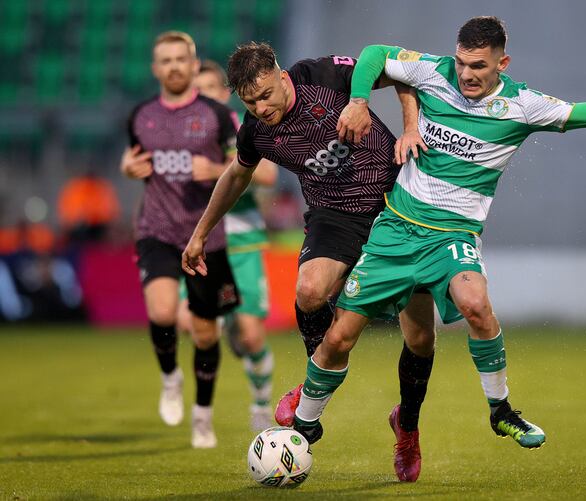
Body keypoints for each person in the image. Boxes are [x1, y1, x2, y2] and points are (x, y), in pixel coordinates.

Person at [285, 15, 586, 453]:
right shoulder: (435, 72)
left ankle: (500, 409)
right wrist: (359, 100)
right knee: (341, 337)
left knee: (475, 304)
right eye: (462, 62)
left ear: (502, 63)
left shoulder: (522, 105)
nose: (466, 74)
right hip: (396, 230)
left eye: (478, 65)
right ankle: (304, 427)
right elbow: (375, 54)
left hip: (452, 236)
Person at [182, 42, 435, 482]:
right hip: (334, 214)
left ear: (282, 77)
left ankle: (407, 427)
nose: (260, 108)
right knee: (309, 291)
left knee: (420, 338)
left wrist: (410, 128)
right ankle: (314, 385)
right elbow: (236, 175)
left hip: (395, 204)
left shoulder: (323, 75)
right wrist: (200, 234)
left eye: (265, 95)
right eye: (249, 102)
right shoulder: (256, 131)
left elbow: (402, 75)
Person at [121, 31, 241, 448]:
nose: (173, 66)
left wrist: (214, 170)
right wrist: (127, 169)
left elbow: (242, 163)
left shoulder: (217, 115)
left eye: (180, 59)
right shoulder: (140, 116)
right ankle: (170, 377)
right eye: (165, 60)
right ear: (156, 69)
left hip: (206, 236)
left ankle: (203, 415)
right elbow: (134, 162)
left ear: (194, 66)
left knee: (207, 335)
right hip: (157, 231)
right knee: (162, 310)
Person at [177, 59, 280, 431]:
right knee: (188, 324)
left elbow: (268, 173)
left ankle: (260, 403)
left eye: (208, 90)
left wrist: (220, 168)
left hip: (242, 243)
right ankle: (203, 410)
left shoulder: (244, 127)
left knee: (251, 336)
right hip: (201, 246)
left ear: (224, 94)